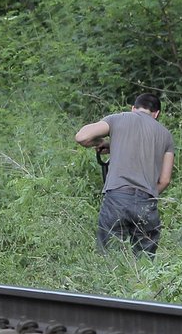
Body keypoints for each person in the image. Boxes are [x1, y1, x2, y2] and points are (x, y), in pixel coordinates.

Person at [75, 93, 175, 257]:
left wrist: (101, 143)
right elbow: (165, 180)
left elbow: (82, 137)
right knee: (144, 265)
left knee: (109, 259)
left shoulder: (119, 119)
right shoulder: (166, 135)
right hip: (147, 202)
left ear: (133, 108)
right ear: (157, 113)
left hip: (117, 198)